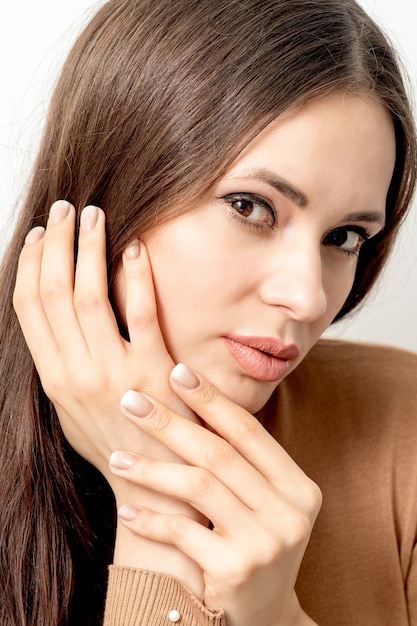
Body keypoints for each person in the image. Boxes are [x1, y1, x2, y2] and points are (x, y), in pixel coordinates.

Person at [1, 0, 416, 624]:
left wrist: (275, 615)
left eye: (344, 238)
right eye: (251, 207)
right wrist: (160, 504)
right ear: (113, 189)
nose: (307, 299)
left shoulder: (402, 425)